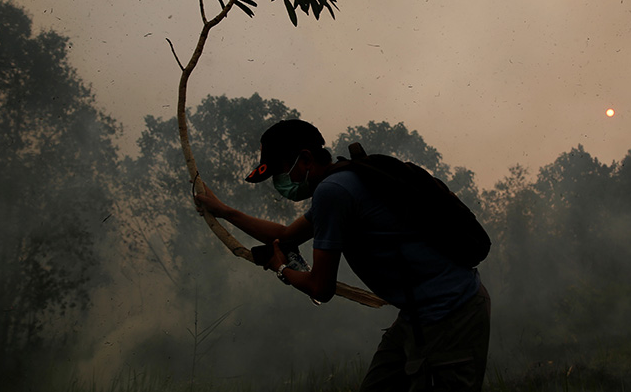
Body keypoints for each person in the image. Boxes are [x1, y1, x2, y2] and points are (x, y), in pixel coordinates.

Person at [194, 119, 490, 391]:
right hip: (419, 313)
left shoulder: (333, 192)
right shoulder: (343, 180)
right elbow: (285, 235)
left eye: (282, 172)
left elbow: (321, 289)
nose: (281, 182)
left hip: (449, 313)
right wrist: (224, 211)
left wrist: (281, 268)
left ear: (306, 159)